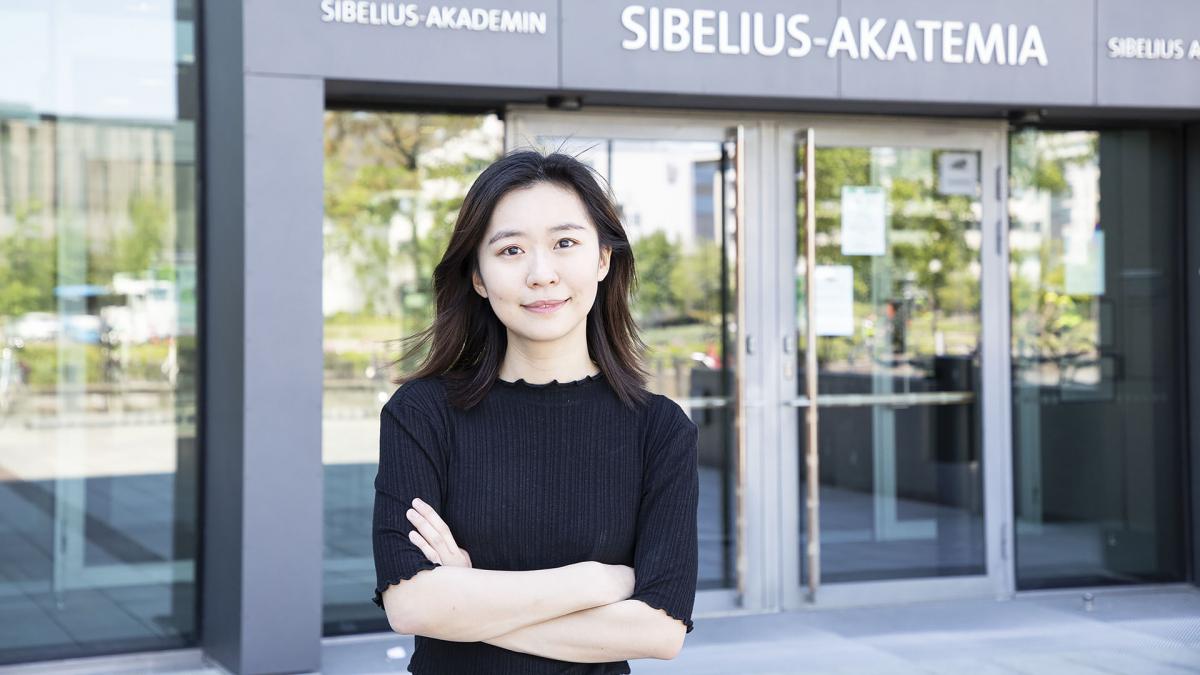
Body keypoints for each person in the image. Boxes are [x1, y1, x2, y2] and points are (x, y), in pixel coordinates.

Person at [372, 149, 699, 674]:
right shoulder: (423, 414)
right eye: (510, 250)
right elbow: (412, 605)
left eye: (565, 243)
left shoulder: (658, 430)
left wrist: (469, 598)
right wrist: (596, 582)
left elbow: (658, 631)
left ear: (602, 259)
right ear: (478, 275)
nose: (541, 273)